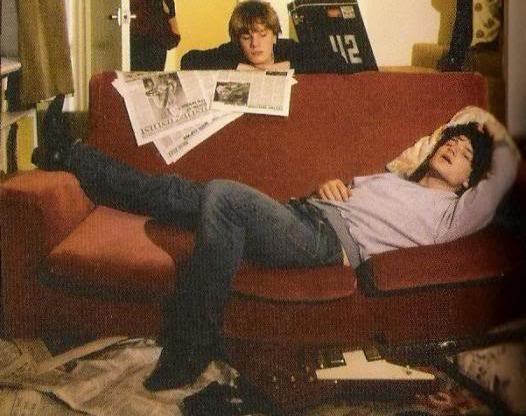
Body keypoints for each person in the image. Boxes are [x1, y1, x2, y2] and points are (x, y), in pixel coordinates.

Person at [32, 96, 518, 392]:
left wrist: (480, 128)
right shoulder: (398, 178)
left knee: (222, 194)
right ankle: (71, 155)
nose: (453, 148)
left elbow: (505, 162)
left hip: (324, 242)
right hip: (301, 213)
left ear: (465, 182)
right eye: (449, 143)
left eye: (465, 154)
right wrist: (329, 185)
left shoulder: (452, 214)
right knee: (181, 192)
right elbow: (342, 193)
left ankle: (193, 344)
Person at [180, 0, 347, 72]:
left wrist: (280, 67)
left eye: (262, 35)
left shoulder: (288, 48)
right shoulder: (233, 52)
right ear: (239, 40)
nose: (255, 44)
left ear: (274, 36)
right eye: (247, 37)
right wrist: (242, 68)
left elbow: (337, 62)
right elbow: (188, 60)